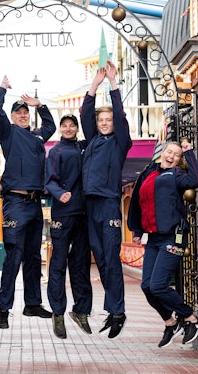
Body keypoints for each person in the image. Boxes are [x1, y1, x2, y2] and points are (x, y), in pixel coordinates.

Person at [0, 75, 56, 329]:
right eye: (18, 112)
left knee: (32, 255)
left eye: (25, 112)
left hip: (34, 203)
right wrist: (2, 89)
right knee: (13, 256)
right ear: (13, 117)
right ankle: (3, 309)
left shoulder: (38, 137)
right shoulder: (8, 133)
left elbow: (50, 126)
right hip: (15, 203)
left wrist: (40, 105)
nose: (22, 115)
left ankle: (32, 304)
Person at [128, 140, 198, 347]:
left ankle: (191, 319)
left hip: (173, 236)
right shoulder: (148, 172)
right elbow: (137, 202)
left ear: (179, 160)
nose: (171, 156)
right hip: (153, 238)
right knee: (147, 287)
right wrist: (137, 229)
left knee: (159, 286)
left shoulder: (177, 175)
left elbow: (196, 180)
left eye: (176, 155)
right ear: (162, 153)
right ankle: (170, 323)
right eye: (169, 151)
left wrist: (189, 153)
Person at [80, 61, 132, 339]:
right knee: (100, 259)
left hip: (110, 203)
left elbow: (122, 117)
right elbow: (85, 114)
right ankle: (112, 311)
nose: (103, 123)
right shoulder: (91, 141)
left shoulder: (119, 141)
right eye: (101, 120)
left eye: (107, 120)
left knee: (111, 258)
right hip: (90, 206)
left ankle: (119, 312)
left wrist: (112, 85)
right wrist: (93, 87)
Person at [45, 114, 93, 339]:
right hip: (62, 214)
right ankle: (58, 312)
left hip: (84, 214)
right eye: (64, 125)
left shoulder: (84, 147)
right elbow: (49, 181)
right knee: (58, 264)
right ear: (60, 129)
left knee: (81, 263)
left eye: (72, 125)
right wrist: (59, 193)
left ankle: (81, 310)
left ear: (77, 128)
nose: (68, 128)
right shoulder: (56, 151)